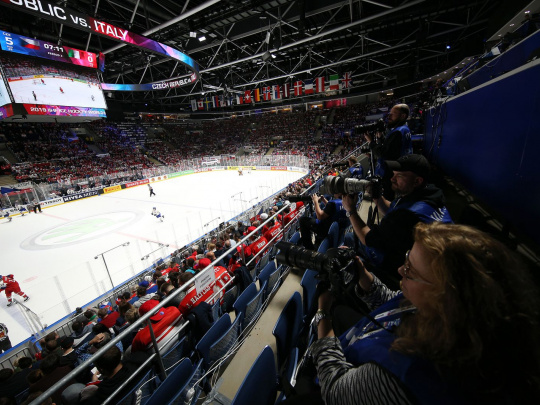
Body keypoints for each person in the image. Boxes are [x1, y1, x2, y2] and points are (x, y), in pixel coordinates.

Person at [310, 222, 540, 405]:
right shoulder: (459, 318)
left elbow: (335, 390)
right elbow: (397, 306)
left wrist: (322, 313)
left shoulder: (408, 376)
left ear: (444, 298)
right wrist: (363, 275)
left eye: (411, 270)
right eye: (407, 258)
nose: (401, 270)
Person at [343, 154, 452, 288]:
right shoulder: (430, 194)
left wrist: (351, 210)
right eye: (394, 174)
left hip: (407, 271)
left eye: (399, 176)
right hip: (424, 260)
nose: (392, 179)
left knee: (349, 237)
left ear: (417, 181)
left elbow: (367, 238)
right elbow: (393, 208)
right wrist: (377, 197)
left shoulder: (405, 217)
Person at [365, 103, 412, 199]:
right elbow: (391, 148)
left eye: (393, 114)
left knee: (387, 198)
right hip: (399, 170)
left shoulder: (398, 132)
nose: (389, 116)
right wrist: (381, 138)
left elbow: (384, 153)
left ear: (403, 116)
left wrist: (371, 142)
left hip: (391, 173)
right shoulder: (404, 129)